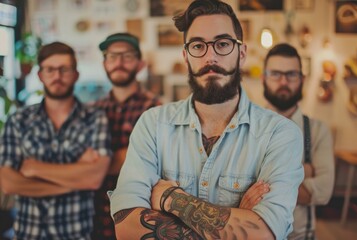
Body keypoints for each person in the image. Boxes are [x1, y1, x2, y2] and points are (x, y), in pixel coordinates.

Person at [109, 0, 304, 239]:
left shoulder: (281, 133)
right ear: (186, 56)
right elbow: (126, 229)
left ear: (241, 54)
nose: (210, 56)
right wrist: (235, 221)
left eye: (222, 44)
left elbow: (264, 234)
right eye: (198, 45)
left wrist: (171, 199)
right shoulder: (152, 125)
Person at [0, 42, 112, 240]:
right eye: (50, 70)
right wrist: (76, 176)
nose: (57, 76)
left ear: (76, 74)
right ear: (40, 75)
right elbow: (7, 182)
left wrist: (34, 168)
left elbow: (94, 178)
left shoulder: (95, 118)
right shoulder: (18, 120)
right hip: (28, 233)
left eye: (64, 69)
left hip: (77, 234)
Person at [91, 32, 161, 239]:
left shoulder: (156, 110)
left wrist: (100, 163)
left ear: (140, 64)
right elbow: (84, 163)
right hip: (97, 217)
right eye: (112, 56)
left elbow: (155, 166)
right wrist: (129, 154)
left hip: (139, 218)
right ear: (104, 63)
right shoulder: (93, 111)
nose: (119, 62)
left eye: (127, 56)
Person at [262, 43, 335, 239]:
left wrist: (264, 179)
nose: (283, 81)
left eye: (291, 74)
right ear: (264, 78)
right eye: (275, 74)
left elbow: (324, 191)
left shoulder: (319, 130)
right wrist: (306, 170)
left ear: (302, 79)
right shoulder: (248, 127)